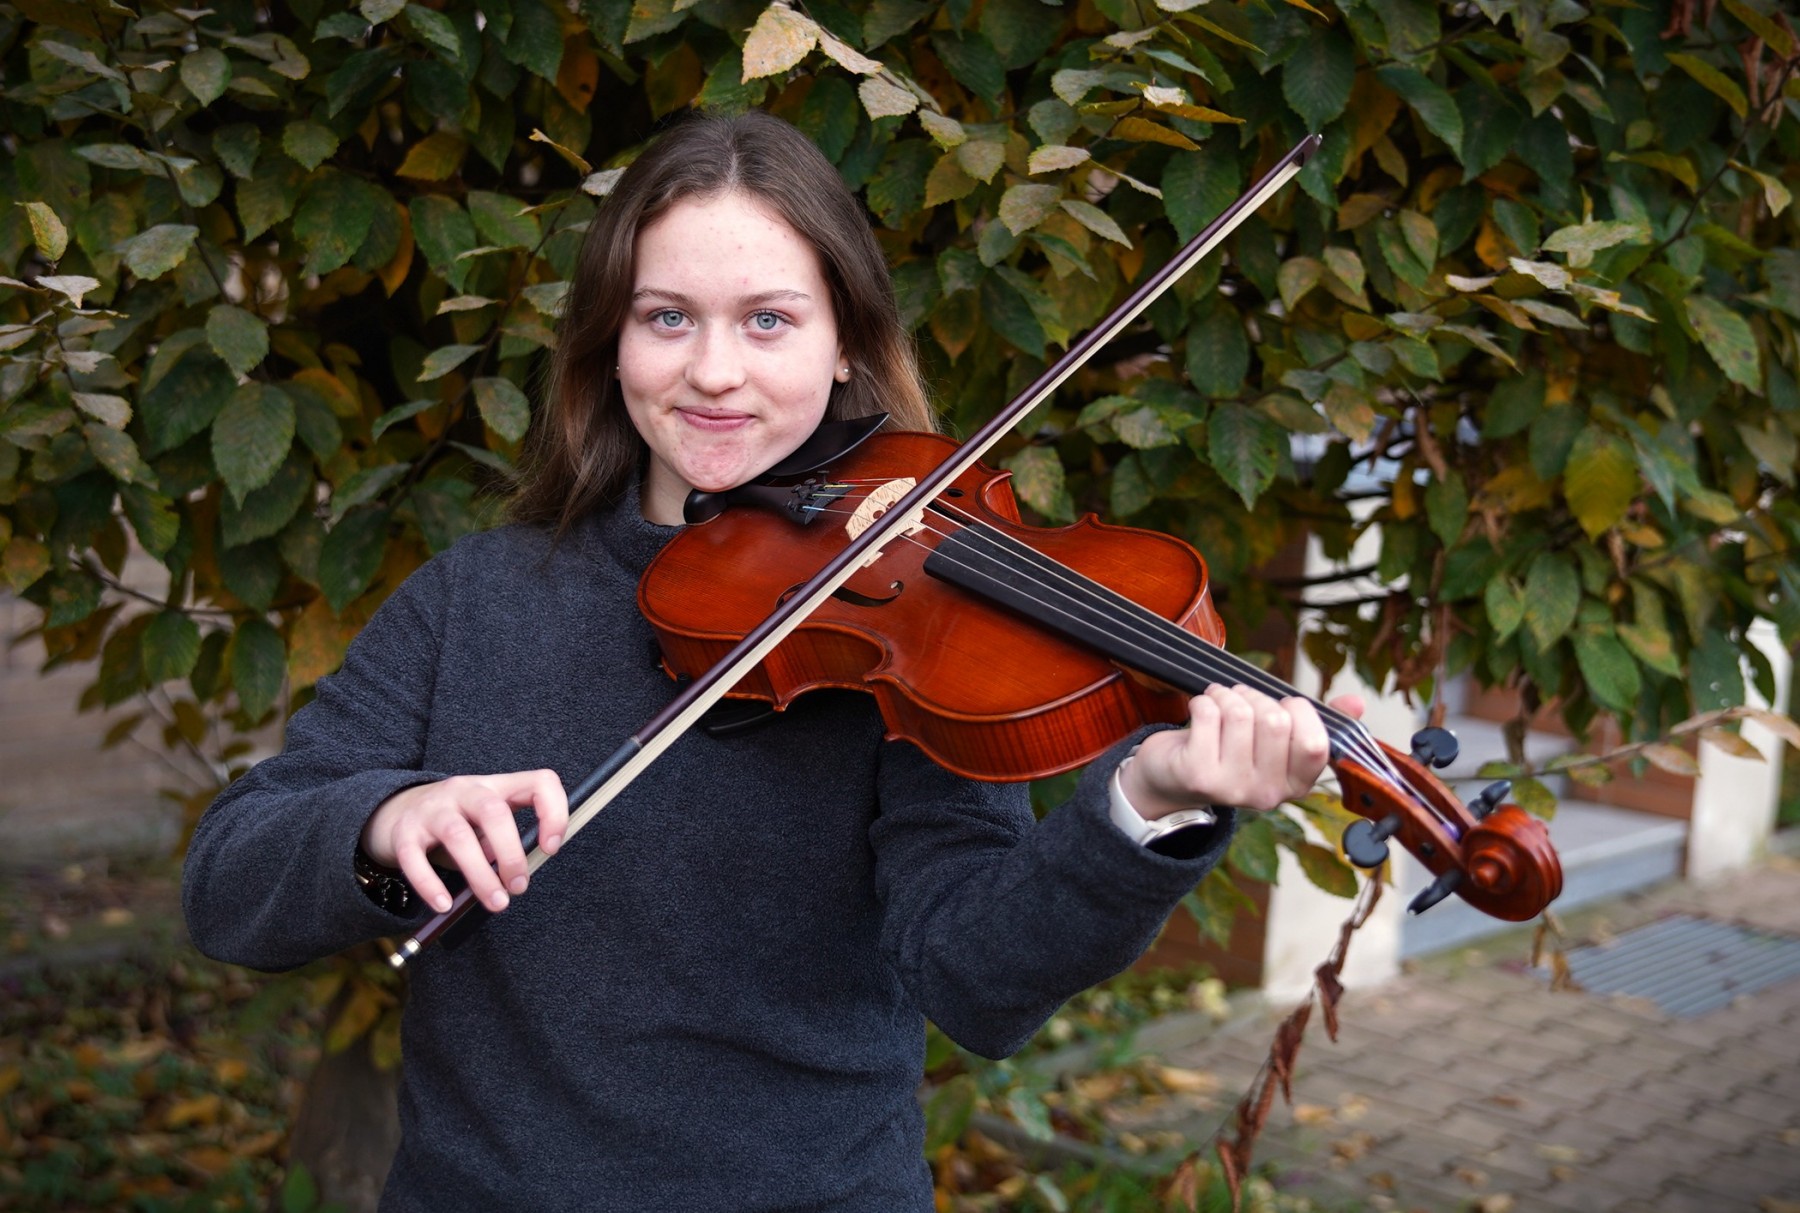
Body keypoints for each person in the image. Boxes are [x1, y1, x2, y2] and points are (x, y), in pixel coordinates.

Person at [183, 110, 1354, 1212]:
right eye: (667, 318)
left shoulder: (919, 630)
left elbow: (977, 979)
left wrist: (1146, 808)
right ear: (610, 341)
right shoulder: (474, 599)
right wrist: (383, 824)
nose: (714, 371)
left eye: (769, 321)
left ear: (846, 346)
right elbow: (229, 885)